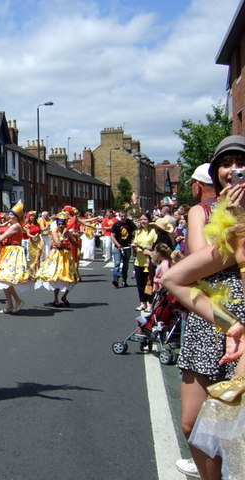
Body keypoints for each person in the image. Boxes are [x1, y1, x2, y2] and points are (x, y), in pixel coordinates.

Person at [166, 135, 245, 479]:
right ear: (216, 173)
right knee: (192, 424)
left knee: (234, 430)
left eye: (240, 164)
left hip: (239, 317)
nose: (233, 170)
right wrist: (230, 220)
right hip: (207, 314)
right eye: (226, 164)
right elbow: (200, 257)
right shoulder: (202, 210)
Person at [0, 201, 32, 313]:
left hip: (12, 252)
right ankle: (9, 305)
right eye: (10, 214)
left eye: (12, 215)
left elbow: (1, 237)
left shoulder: (16, 226)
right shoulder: (13, 225)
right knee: (2, 279)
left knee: (5, 278)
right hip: (8, 251)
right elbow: (1, 228)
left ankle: (17, 300)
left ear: (17, 217)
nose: (9, 216)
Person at [34, 211, 80, 307]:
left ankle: (64, 296)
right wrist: (63, 236)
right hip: (57, 255)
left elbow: (75, 244)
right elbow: (58, 244)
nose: (61, 225)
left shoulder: (67, 231)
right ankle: (56, 299)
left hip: (66, 256)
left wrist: (77, 238)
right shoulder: (55, 232)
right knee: (57, 278)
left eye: (63, 224)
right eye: (59, 224)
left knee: (71, 277)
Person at [131, 213, 157, 312]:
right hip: (139, 260)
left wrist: (149, 249)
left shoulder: (153, 231)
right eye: (141, 219)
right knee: (140, 283)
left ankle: (150, 304)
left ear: (149, 220)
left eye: (145, 219)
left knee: (149, 283)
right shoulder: (138, 232)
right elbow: (135, 242)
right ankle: (143, 303)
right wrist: (134, 246)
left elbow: (155, 245)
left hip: (148, 261)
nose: (142, 221)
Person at [111, 210, 136, 288]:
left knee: (125, 264)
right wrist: (118, 245)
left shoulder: (130, 223)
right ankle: (116, 278)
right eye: (121, 216)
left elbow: (136, 232)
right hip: (118, 247)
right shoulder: (116, 224)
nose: (123, 218)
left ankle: (124, 280)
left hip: (127, 246)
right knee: (117, 263)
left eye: (124, 216)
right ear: (119, 216)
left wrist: (134, 241)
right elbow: (112, 236)